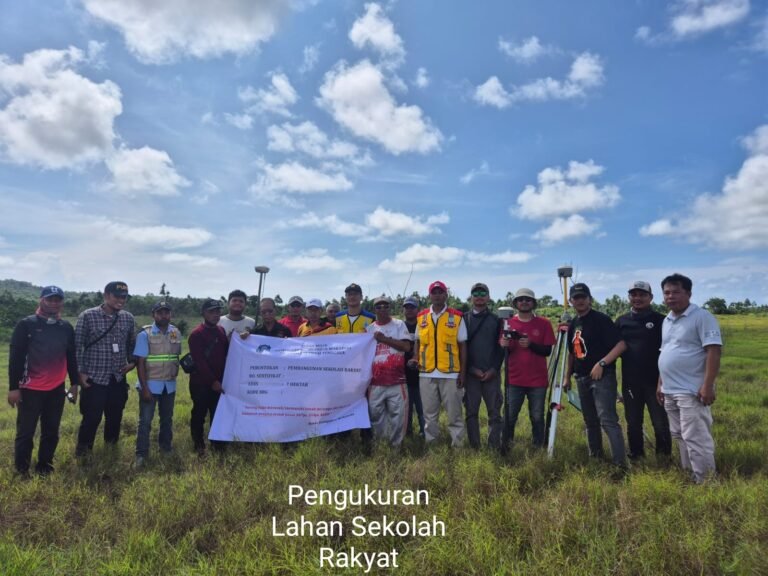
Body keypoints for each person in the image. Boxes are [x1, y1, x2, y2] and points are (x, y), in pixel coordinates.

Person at [657, 273, 722, 483]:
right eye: (667, 292)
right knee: (679, 435)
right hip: (670, 389)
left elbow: (713, 350)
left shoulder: (702, 317)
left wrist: (708, 385)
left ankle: (706, 481)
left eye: (676, 292)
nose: (670, 296)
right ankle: (690, 473)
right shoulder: (667, 319)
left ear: (688, 293)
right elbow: (665, 352)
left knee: (696, 437)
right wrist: (661, 383)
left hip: (692, 390)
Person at [8, 286, 79, 475]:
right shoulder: (26, 325)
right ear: (41, 300)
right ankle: (22, 469)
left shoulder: (65, 327)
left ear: (62, 302)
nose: (54, 303)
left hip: (56, 389)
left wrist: (74, 383)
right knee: (26, 432)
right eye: (50, 299)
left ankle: (44, 466)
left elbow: (71, 356)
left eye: (58, 300)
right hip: (30, 388)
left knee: (51, 430)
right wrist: (14, 388)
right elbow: (15, 358)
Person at [564, 282, 628, 469]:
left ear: (590, 299)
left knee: (607, 420)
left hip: (602, 378)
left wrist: (602, 363)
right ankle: (596, 458)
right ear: (571, 301)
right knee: (590, 421)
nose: (580, 301)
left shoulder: (601, 320)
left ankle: (620, 464)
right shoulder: (573, 324)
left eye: (583, 297)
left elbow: (621, 345)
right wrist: (568, 376)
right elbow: (571, 353)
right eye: (576, 298)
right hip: (581, 378)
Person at [75, 281, 136, 457]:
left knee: (115, 417)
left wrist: (132, 363)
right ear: (106, 295)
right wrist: (80, 373)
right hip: (94, 378)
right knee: (91, 418)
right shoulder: (88, 316)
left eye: (124, 297)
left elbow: (132, 344)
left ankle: (110, 449)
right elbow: (77, 346)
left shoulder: (128, 318)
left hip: (117, 378)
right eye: (117, 296)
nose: (121, 300)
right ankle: (83, 452)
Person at [615, 281, 671, 460]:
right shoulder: (622, 321)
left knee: (660, 423)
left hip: (656, 382)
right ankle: (636, 456)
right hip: (631, 382)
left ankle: (663, 458)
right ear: (629, 297)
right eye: (633, 294)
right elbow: (613, 347)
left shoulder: (662, 320)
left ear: (651, 298)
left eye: (642, 294)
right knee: (633, 423)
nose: (637, 298)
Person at [409, 281, 467, 447]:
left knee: (454, 415)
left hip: (451, 374)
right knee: (429, 416)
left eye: (440, 292)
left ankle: (458, 447)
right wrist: (415, 357)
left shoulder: (456, 316)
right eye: (434, 292)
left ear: (446, 295)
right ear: (429, 296)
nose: (437, 295)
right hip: (426, 373)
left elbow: (463, 345)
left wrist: (462, 373)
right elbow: (418, 342)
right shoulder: (422, 317)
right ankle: (432, 446)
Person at [499, 288, 555, 451]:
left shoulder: (544, 323)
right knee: (509, 416)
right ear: (516, 303)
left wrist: (531, 344)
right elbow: (505, 351)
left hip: (537, 380)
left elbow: (547, 350)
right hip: (514, 379)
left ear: (533, 303)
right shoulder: (507, 323)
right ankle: (506, 446)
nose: (524, 302)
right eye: (521, 299)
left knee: (537, 416)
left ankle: (538, 447)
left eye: (528, 300)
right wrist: (505, 345)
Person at [133, 301, 181, 467]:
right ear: (153, 315)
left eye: (166, 312)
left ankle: (166, 449)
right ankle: (141, 454)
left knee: (167, 420)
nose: (164, 316)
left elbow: (175, 357)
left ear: (170, 314)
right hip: (150, 386)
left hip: (169, 385)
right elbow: (140, 363)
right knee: (145, 421)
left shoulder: (175, 332)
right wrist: (144, 388)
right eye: (160, 313)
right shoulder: (144, 334)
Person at [464, 282, 504, 451]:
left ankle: (493, 447)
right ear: (471, 297)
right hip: (471, 375)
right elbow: (461, 348)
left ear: (488, 297)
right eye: (476, 293)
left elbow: (501, 348)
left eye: (483, 293)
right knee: (471, 413)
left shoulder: (497, 320)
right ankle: (475, 447)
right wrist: (471, 369)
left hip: (491, 375)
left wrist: (494, 370)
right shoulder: (463, 319)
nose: (479, 296)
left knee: (494, 413)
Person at [366, 297, 411, 446]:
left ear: (390, 308)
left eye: (386, 306)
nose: (382, 309)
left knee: (398, 417)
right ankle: (380, 446)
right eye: (379, 307)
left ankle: (395, 448)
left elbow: (406, 347)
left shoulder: (398, 325)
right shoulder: (369, 329)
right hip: (375, 383)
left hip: (397, 381)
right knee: (376, 416)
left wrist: (384, 339)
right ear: (375, 310)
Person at [188, 298, 229, 455]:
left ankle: (217, 444)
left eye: (218, 311)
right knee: (199, 414)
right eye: (211, 311)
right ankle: (198, 445)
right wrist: (213, 382)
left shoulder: (221, 331)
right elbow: (200, 362)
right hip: (201, 384)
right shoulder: (196, 334)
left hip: (219, 382)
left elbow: (226, 353)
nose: (215, 314)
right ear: (203, 313)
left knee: (217, 414)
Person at [402, 296, 425, 438]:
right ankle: (407, 432)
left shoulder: (423, 324)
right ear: (403, 309)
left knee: (423, 407)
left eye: (412, 307)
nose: (409, 310)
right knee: (406, 407)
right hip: (403, 374)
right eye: (407, 307)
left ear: (418, 309)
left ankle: (425, 432)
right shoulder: (399, 326)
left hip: (422, 373)